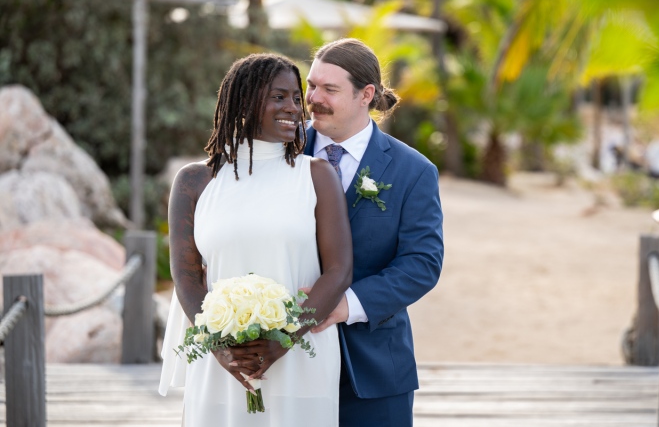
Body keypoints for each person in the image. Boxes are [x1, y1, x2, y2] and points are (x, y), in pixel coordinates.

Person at [158, 53, 353, 427]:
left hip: (300, 355)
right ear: (245, 101)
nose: (293, 108)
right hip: (221, 359)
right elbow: (185, 276)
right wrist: (222, 349)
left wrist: (283, 340)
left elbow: (339, 270)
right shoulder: (194, 181)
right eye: (279, 97)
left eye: (296, 98)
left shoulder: (317, 175)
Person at [302, 38, 444, 427]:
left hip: (374, 369)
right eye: (311, 85)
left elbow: (421, 263)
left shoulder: (414, 171)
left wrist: (345, 305)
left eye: (329, 89)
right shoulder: (279, 151)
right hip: (286, 362)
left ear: (366, 95)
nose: (314, 98)